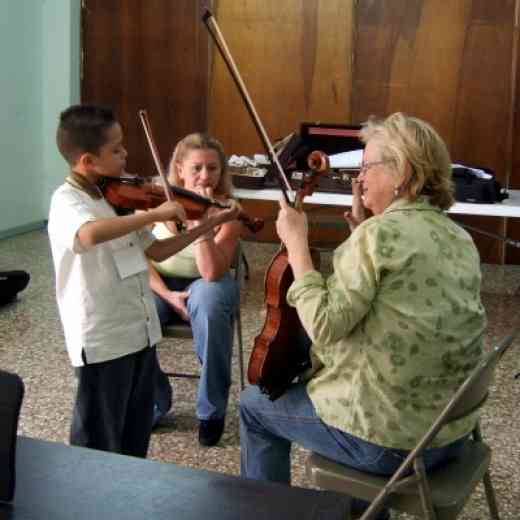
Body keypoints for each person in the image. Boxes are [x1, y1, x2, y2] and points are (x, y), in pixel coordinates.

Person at [239, 112, 487, 520]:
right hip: (449, 433)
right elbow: (401, 299)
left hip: (391, 443)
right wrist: (361, 235)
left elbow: (323, 326)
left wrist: (297, 244)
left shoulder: (378, 237)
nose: (358, 178)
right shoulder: (458, 237)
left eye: (367, 166)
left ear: (402, 172)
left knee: (253, 405)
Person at [47, 105, 239, 457]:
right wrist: (153, 214)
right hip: (104, 339)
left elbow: (161, 250)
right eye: (116, 150)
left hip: (138, 332)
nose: (125, 155)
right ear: (88, 161)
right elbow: (88, 235)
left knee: (135, 434)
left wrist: (209, 224)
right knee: (98, 440)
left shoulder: (112, 199)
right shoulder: (68, 201)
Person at [149, 133, 242, 447]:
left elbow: (212, 272)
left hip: (206, 280)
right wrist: (166, 294)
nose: (206, 176)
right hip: (161, 282)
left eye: (213, 168)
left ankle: (211, 411)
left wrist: (201, 224)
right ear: (179, 167)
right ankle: (156, 399)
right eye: (197, 168)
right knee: (131, 308)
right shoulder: (153, 200)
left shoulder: (228, 209)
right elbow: (136, 255)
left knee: (212, 302)